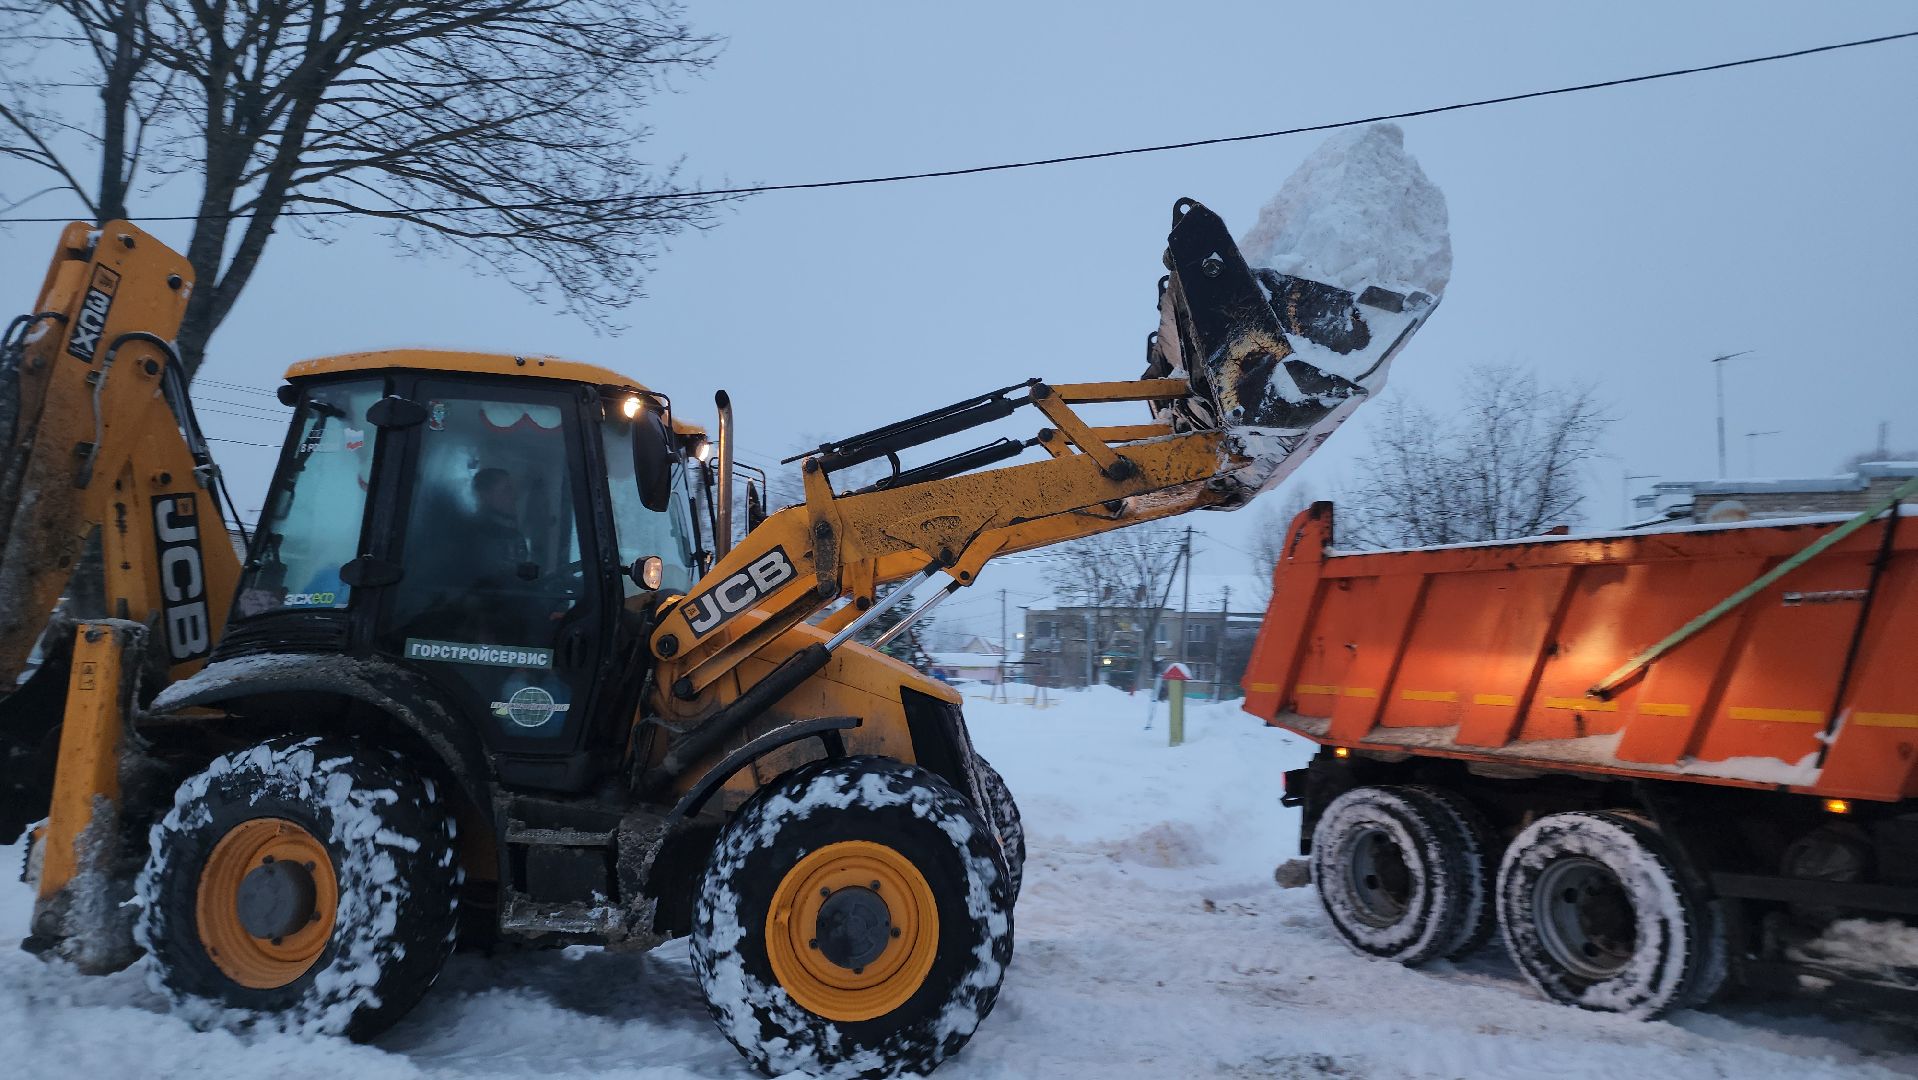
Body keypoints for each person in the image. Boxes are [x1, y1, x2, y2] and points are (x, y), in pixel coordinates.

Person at [471, 467, 531, 585]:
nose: (515, 497)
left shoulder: (513, 534)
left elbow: (521, 575)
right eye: (507, 490)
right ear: (485, 496)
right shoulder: (472, 534)